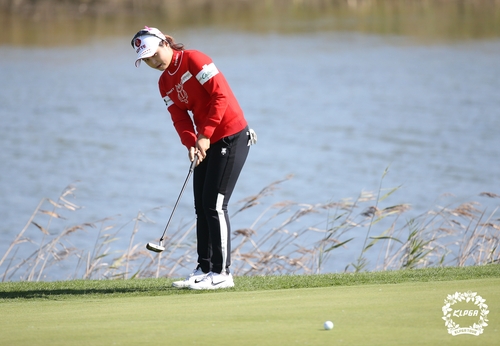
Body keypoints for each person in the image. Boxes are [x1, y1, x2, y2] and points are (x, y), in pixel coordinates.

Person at [131, 27, 256, 290]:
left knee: (215, 205)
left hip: (231, 136)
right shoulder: (163, 83)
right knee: (201, 207)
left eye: (154, 54)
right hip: (205, 141)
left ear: (166, 43)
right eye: (147, 60)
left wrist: (205, 134)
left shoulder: (195, 59)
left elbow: (220, 96)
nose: (154, 62)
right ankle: (205, 268)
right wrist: (191, 142)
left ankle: (223, 273)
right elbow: (179, 117)